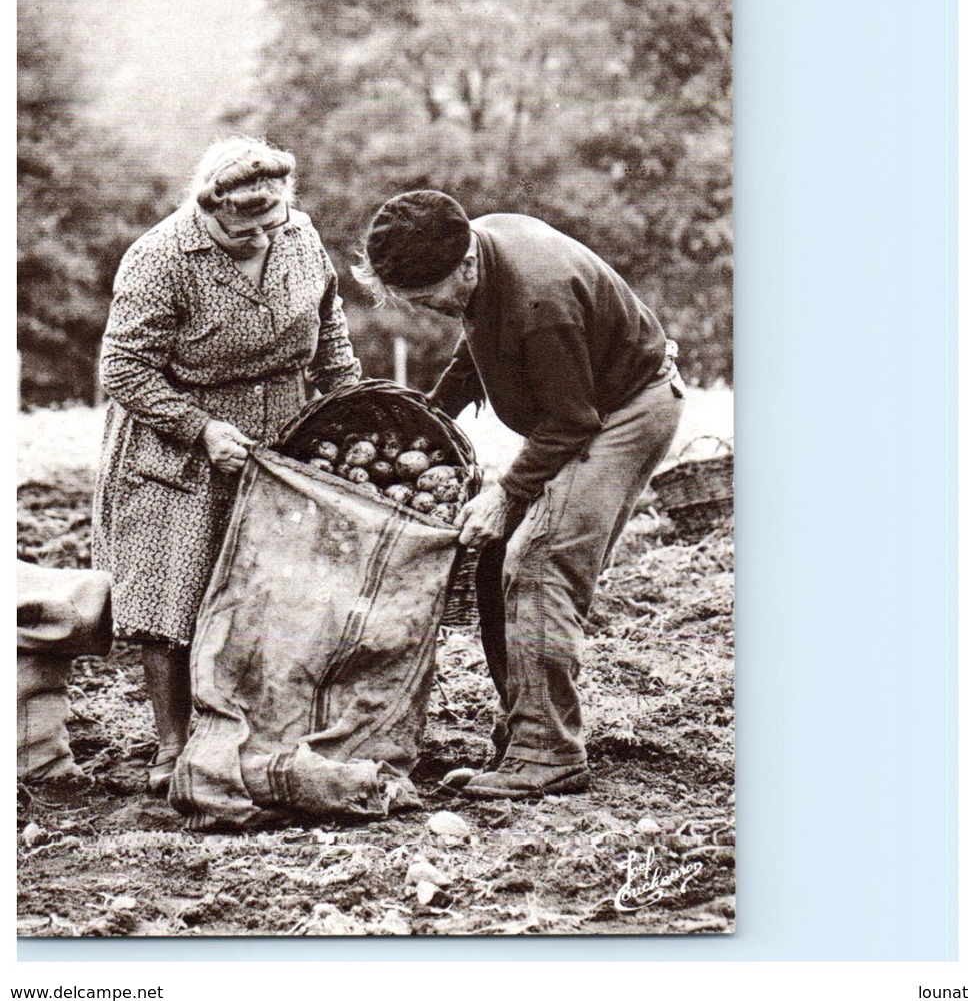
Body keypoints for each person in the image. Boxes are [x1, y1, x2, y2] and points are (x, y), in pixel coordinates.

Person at [356, 190, 685, 800]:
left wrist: (506, 496)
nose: (428, 311)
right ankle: (522, 730)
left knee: (537, 562)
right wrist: (430, 418)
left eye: (430, 299)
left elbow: (572, 420)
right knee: (493, 564)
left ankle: (548, 753)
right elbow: (477, 342)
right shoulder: (477, 242)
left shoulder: (540, 300)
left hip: (624, 413)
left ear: (467, 265)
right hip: (584, 409)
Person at [92, 137, 361, 794]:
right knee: (174, 594)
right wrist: (201, 428)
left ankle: (261, 731)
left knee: (271, 584)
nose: (261, 235)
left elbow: (329, 322)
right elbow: (122, 366)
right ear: (209, 208)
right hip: (176, 439)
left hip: (279, 428)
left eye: (272, 220)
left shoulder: (297, 234)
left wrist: (349, 394)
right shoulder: (161, 257)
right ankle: (171, 744)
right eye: (244, 225)